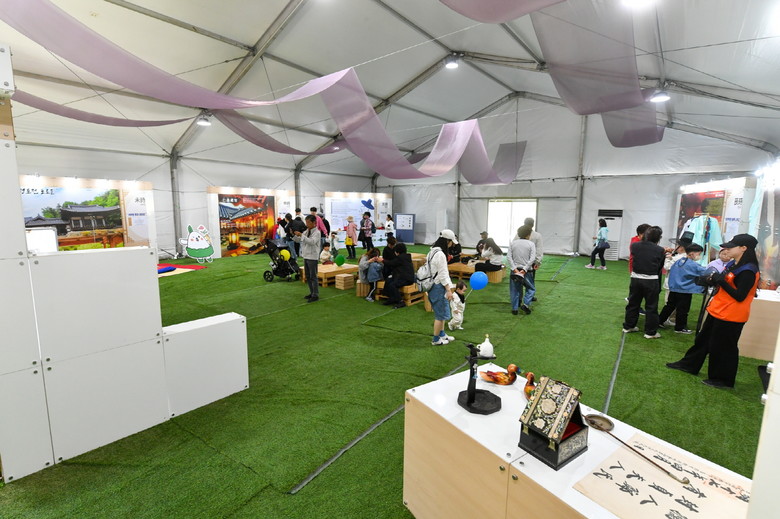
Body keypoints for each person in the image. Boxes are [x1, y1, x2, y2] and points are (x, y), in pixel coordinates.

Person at [666, 234, 760, 388]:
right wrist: (713, 280)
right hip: (718, 310)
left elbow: (740, 296)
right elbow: (725, 283)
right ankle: (689, 364)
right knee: (703, 340)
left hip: (731, 315)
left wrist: (720, 281)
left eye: (731, 247)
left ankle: (723, 380)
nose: (727, 249)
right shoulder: (734, 264)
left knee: (724, 348)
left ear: (743, 248)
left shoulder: (748, 270)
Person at [622, 226, 666, 338]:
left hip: (635, 279)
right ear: (658, 238)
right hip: (651, 280)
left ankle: (628, 326)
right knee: (651, 306)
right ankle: (650, 332)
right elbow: (659, 267)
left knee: (633, 303)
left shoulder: (635, 246)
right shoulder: (660, 250)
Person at [657, 244, 706, 334]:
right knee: (683, 310)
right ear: (692, 254)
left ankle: (659, 321)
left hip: (674, 288)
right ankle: (680, 327)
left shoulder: (679, 261)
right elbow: (704, 271)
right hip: (684, 290)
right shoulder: (692, 265)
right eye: (699, 254)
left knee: (669, 306)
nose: (699, 256)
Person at [429, 230, 457, 345]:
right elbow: (443, 274)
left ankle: (442, 334)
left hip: (434, 285)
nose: (452, 244)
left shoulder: (432, 251)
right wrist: (449, 290)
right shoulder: (440, 254)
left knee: (443, 312)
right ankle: (436, 339)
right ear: (447, 241)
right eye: (451, 242)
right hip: (438, 286)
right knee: (440, 315)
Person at [507, 225, 536, 315]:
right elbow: (532, 259)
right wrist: (524, 269)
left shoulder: (513, 243)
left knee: (515, 289)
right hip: (526, 272)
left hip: (515, 271)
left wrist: (515, 269)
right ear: (528, 235)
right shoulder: (531, 244)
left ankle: (514, 309)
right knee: (531, 288)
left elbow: (509, 257)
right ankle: (526, 304)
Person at [293, 215, 321, 303]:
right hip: (306, 256)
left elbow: (311, 242)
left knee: (313, 276)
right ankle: (312, 292)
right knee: (308, 276)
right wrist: (293, 235)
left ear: (314, 223)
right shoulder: (306, 231)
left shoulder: (317, 232)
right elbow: (299, 240)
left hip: (312, 257)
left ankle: (315, 294)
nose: (307, 224)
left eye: (308, 222)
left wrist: (301, 235)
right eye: (306, 222)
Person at [380, 242, 414, 308]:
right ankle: (391, 298)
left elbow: (391, 263)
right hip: (404, 277)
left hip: (406, 279)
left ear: (397, 251)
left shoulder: (400, 258)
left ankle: (400, 301)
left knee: (392, 285)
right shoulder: (405, 257)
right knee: (388, 280)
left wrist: (382, 260)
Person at [524, 218, 543, 302]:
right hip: (531, 262)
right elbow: (539, 250)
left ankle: (518, 300)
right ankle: (529, 297)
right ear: (533, 225)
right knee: (530, 280)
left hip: (519, 261)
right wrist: (537, 262)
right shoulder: (537, 235)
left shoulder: (518, 234)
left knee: (518, 280)